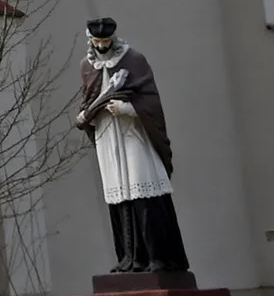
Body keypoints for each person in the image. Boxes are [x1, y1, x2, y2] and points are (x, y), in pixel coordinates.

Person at [75, 17, 190, 274]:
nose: (102, 45)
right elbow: (89, 98)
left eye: (106, 41)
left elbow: (152, 101)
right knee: (119, 197)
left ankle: (159, 257)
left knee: (144, 195)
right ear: (90, 40)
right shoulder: (87, 65)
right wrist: (85, 116)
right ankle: (130, 259)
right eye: (98, 41)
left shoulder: (134, 59)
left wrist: (128, 109)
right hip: (107, 136)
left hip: (134, 134)